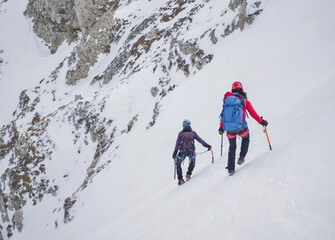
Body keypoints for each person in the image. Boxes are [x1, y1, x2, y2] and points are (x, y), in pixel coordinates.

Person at [218, 81, 268, 176]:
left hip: (229, 130)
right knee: (246, 139)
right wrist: (261, 122)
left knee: (232, 148)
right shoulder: (244, 101)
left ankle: (231, 170)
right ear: (242, 90)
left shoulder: (227, 101)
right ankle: (241, 157)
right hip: (241, 128)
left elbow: (223, 115)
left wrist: (221, 127)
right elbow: (253, 114)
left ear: (232, 90)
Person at [172, 119, 211, 185]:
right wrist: (207, 146)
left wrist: (174, 153)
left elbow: (177, 144)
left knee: (178, 164)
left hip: (182, 152)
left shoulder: (180, 133)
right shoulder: (193, 133)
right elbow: (200, 140)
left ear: (183, 126)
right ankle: (188, 174)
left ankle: (180, 179)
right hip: (191, 151)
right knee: (192, 163)